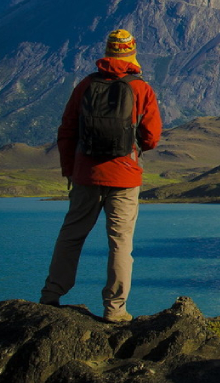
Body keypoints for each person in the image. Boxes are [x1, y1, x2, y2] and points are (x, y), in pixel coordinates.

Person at [40, 29, 162, 322]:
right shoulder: (140, 88)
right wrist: (132, 149)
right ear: (131, 53)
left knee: (71, 236)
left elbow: (67, 131)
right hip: (125, 177)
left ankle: (51, 296)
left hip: (85, 175)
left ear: (107, 53)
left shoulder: (85, 85)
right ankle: (115, 309)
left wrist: (71, 169)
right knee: (120, 243)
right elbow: (152, 136)